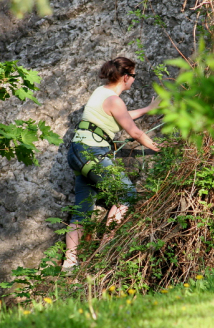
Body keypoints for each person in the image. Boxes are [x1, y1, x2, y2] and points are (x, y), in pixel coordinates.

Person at [63, 57, 160, 271]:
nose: (133, 80)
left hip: (78, 154)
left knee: (82, 211)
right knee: (127, 194)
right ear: (126, 77)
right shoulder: (114, 99)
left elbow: (122, 118)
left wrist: (147, 109)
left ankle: (69, 265)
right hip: (92, 154)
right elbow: (133, 131)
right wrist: (156, 147)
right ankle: (107, 248)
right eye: (133, 76)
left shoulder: (101, 93)